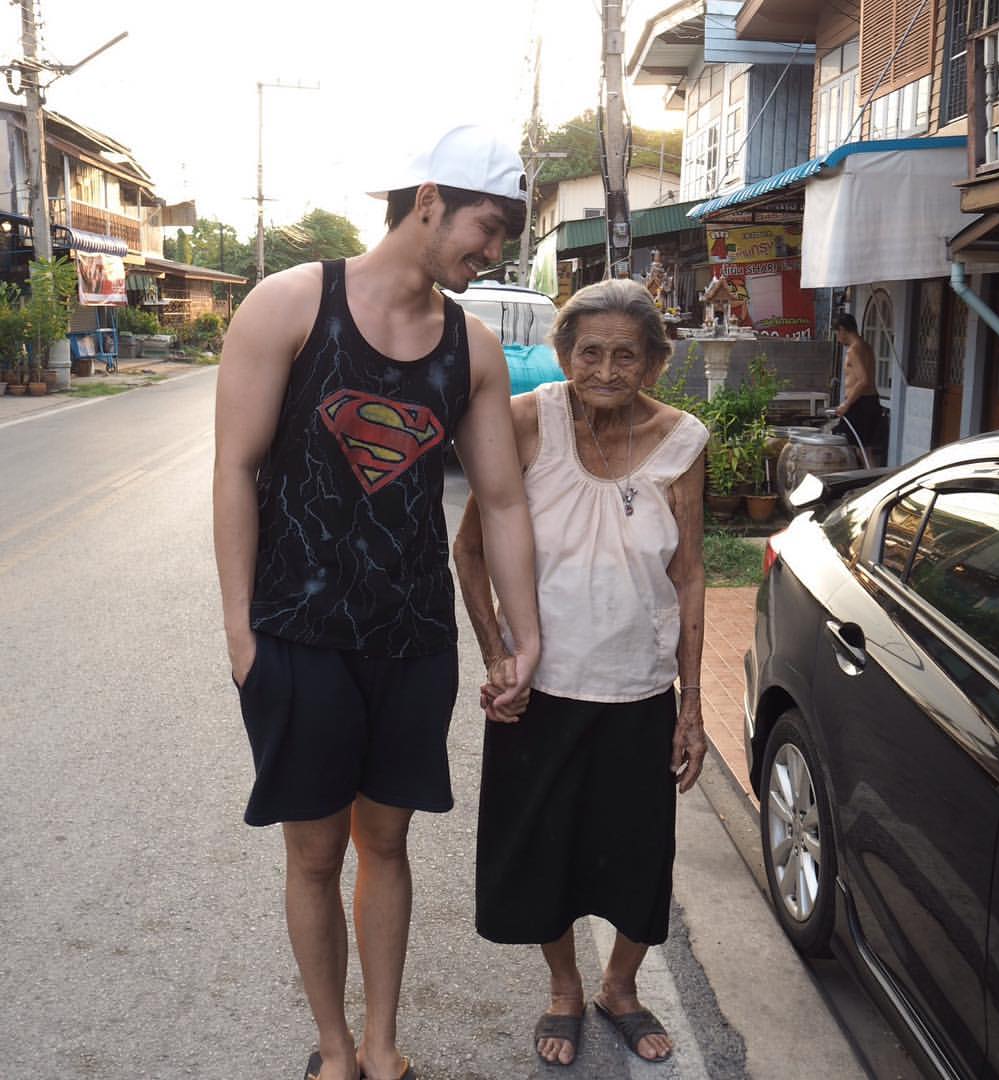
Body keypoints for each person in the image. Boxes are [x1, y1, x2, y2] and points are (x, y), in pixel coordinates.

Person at [212, 125, 541, 1080]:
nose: (495, 251)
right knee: (316, 853)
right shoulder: (290, 305)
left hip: (412, 638)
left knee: (387, 844)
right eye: (488, 227)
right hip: (297, 635)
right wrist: (241, 634)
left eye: (507, 235)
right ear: (429, 200)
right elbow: (235, 469)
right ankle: (335, 1050)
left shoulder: (472, 347)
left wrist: (522, 637)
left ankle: (385, 1047)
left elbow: (503, 500)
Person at [453, 278, 709, 1069]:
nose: (605, 369)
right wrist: (497, 653)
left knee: (639, 851)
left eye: (626, 355)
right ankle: (565, 988)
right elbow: (469, 549)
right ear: (563, 354)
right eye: (589, 352)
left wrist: (692, 704)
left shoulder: (682, 440)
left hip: (639, 690)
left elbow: (690, 574)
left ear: (655, 363)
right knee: (545, 851)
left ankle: (619, 988)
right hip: (542, 690)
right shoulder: (525, 421)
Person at [832, 312, 881, 463]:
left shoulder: (853, 350)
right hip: (870, 401)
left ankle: (867, 477)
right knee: (864, 449)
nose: (838, 339)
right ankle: (870, 475)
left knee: (858, 448)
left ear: (842, 329)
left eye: (836, 334)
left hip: (860, 403)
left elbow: (863, 380)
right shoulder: (866, 346)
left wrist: (846, 404)